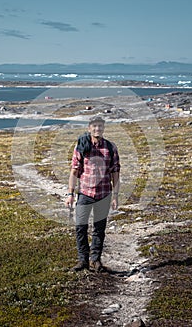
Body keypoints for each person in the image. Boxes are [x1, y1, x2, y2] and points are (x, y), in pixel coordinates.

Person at [65, 116, 120, 272]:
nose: (98, 129)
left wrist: (115, 195)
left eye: (100, 126)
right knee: (80, 227)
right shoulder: (82, 146)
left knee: (99, 229)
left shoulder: (110, 147)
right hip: (85, 193)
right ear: (89, 128)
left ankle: (95, 260)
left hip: (104, 194)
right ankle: (83, 260)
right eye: (94, 126)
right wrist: (70, 194)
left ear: (103, 128)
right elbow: (74, 171)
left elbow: (115, 172)